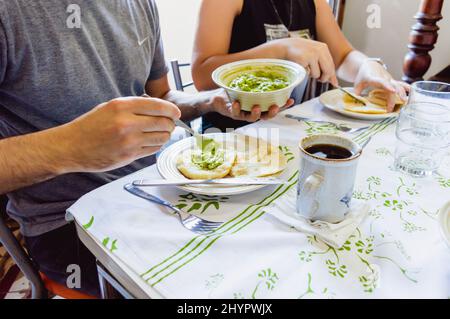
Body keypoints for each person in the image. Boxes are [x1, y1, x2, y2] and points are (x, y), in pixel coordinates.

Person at [0, 0, 290, 296]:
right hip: (65, 221)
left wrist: (211, 101)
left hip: (155, 188)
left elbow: (162, 95)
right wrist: (69, 147)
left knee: (270, 251)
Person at [192, 0, 410, 131]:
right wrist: (282, 49)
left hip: (292, 129)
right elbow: (202, 75)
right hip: (233, 133)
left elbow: (342, 57)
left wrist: (367, 65)